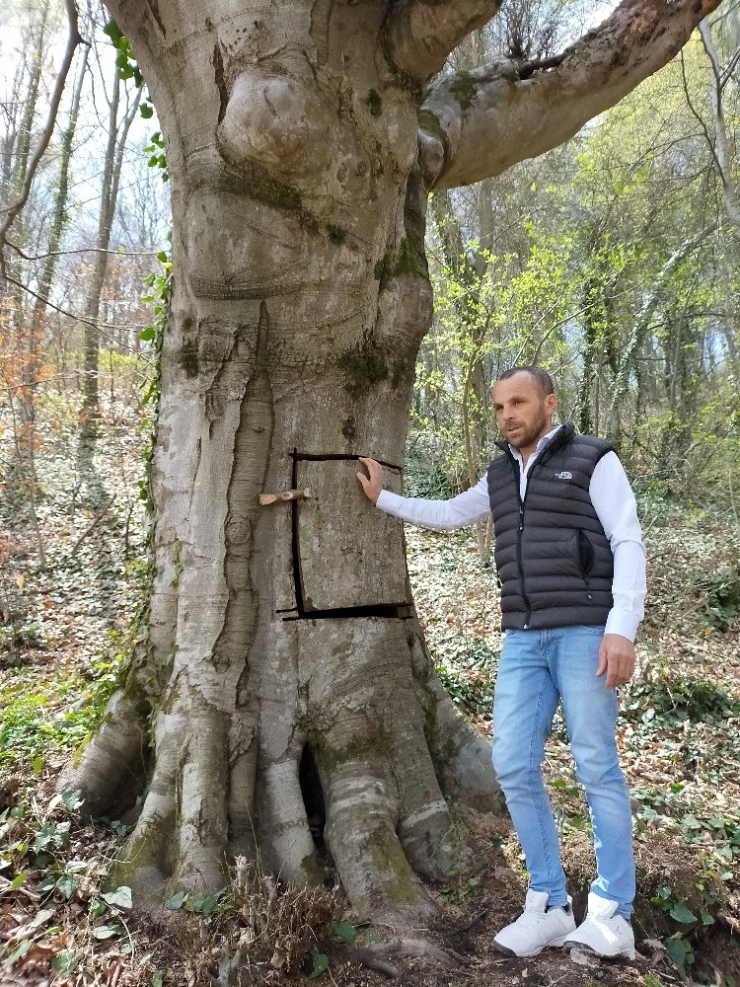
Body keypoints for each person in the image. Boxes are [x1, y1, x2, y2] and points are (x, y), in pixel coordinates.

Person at [356, 366, 646, 961]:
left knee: (596, 766)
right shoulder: (499, 473)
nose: (507, 414)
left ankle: (614, 912)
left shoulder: (592, 460)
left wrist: (622, 629)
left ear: (548, 403)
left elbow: (626, 540)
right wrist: (382, 498)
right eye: (498, 407)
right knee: (512, 763)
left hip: (588, 633)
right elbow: (450, 513)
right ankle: (550, 902)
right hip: (523, 639)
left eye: (518, 402)